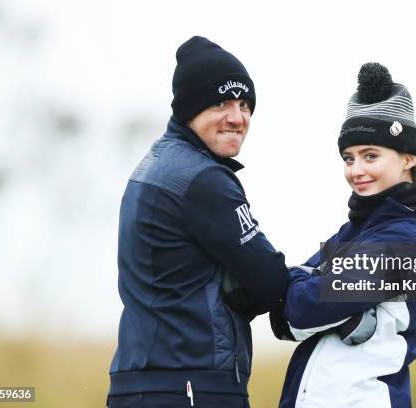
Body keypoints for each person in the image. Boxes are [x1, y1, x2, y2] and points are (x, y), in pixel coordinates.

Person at [271, 63, 416, 407]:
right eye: (349, 158)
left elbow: (302, 307)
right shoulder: (361, 228)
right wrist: (308, 300)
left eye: (370, 156)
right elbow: (289, 292)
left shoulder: (409, 239)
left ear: (408, 157)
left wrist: (304, 299)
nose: (356, 170)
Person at [107, 36, 289, 408]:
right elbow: (272, 283)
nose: (237, 117)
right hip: (190, 386)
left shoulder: (156, 165)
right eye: (220, 103)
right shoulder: (201, 179)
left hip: (143, 383)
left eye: (244, 104)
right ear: (190, 108)